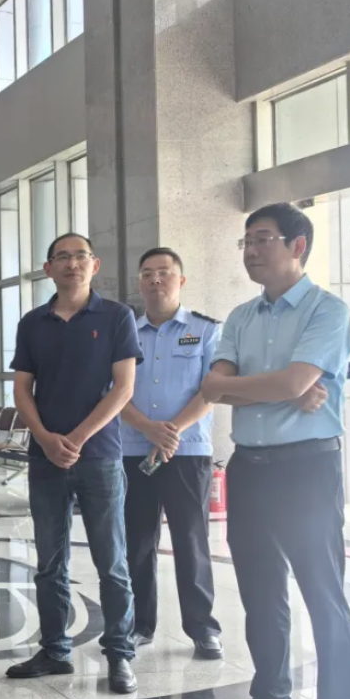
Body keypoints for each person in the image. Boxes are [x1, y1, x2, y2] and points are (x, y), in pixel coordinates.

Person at [204, 203, 350, 699]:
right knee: (260, 593)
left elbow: (290, 382)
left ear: (298, 245)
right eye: (245, 242)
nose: (250, 251)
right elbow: (213, 387)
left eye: (262, 239)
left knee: (323, 594)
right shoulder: (241, 316)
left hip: (307, 469)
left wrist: (273, 386)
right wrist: (284, 388)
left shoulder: (328, 311)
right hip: (250, 467)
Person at [5, 233, 141, 695]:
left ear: (94, 264)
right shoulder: (32, 322)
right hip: (45, 458)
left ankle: (120, 655)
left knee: (111, 561)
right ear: (48, 269)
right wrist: (45, 439)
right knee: (49, 561)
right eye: (61, 257)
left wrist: (77, 438)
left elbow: (123, 388)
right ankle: (54, 650)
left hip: (99, 456)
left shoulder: (117, 317)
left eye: (80, 256)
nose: (71, 264)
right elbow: (22, 389)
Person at [119, 248, 223, 659]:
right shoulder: (125, 332)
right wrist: (148, 428)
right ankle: (138, 624)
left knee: (191, 539)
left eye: (164, 272)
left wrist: (171, 430)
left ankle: (202, 627)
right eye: (147, 273)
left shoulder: (205, 330)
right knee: (137, 540)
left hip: (187, 451)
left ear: (181, 280)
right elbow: (114, 391)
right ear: (139, 283)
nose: (155, 280)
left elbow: (212, 390)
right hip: (134, 450)